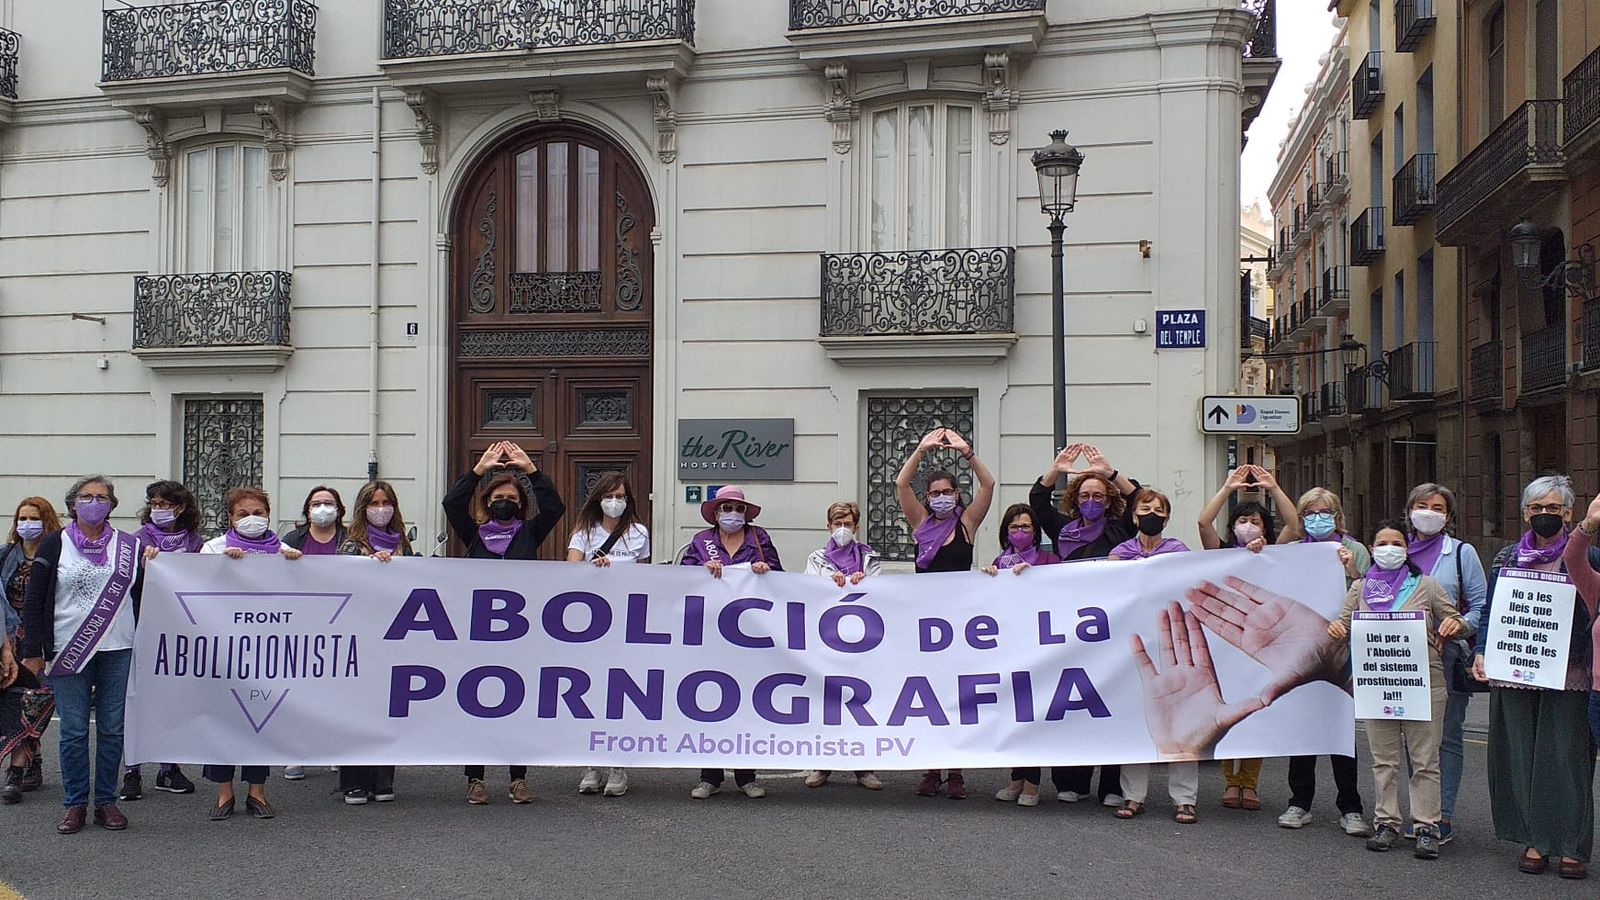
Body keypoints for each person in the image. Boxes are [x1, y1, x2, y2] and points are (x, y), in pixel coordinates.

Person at [1473, 475, 1593, 880]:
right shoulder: (1505, 557)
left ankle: (1572, 845)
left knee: (1566, 759)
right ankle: (1535, 841)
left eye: (1553, 508)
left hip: (1571, 670)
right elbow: (1491, 612)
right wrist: (1481, 651)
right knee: (1520, 757)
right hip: (1515, 669)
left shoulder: (1590, 555)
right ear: (1525, 512)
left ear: (1569, 514)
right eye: (1537, 508)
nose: (1545, 515)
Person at [1327, 521, 1470, 859]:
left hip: (1423, 683)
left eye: (1396, 542)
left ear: (1406, 550)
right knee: (1384, 760)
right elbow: (1345, 624)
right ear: (1373, 549)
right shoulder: (1360, 587)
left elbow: (1459, 624)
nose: (1389, 548)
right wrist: (1336, 628)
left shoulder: (1427, 585)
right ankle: (1387, 823)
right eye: (1382, 542)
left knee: (1424, 760)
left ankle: (1426, 827)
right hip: (1378, 682)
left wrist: (1455, 624)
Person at [18, 476, 143, 835]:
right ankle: (74, 804)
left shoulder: (129, 546)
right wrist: (32, 652)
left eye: (101, 497)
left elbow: (148, 592)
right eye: (86, 496)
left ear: (112, 504)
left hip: (117, 646)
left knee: (112, 728)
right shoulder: (54, 543)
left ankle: (106, 802)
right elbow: (34, 599)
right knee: (73, 731)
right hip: (66, 647)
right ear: (73, 503)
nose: (94, 502)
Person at [443, 440, 565, 805]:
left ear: (521, 504)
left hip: (521, 633)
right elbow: (451, 503)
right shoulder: (474, 534)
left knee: (517, 703)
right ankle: (475, 779)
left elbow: (556, 506)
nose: (506, 502)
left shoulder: (530, 532)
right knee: (477, 702)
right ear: (487, 501)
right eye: (500, 496)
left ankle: (518, 778)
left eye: (513, 498)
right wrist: (479, 471)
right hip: (479, 632)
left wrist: (531, 471)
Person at [1027, 442, 1139, 806]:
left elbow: (1140, 497)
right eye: (1085, 494)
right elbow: (1038, 500)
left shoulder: (1121, 527)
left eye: (1099, 495)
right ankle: (1071, 779)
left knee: (1112, 702)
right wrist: (1057, 468)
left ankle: (1111, 785)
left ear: (1108, 501)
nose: (1092, 500)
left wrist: (1109, 472)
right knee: (1074, 704)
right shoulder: (1063, 530)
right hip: (1072, 629)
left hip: (1112, 627)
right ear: (1076, 498)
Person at [895, 427, 994, 800]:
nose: (940, 498)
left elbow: (988, 484)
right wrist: (921, 450)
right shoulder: (921, 524)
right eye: (934, 494)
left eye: (946, 492)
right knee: (929, 696)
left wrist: (968, 453)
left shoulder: (966, 525)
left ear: (956, 495)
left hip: (961, 624)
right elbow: (901, 484)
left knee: (958, 696)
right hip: (925, 622)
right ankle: (930, 768)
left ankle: (956, 772)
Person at [198, 487, 302, 820]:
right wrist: (221, 568)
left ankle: (257, 791)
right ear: (230, 517)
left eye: (258, 512)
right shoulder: (213, 548)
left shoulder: (284, 550)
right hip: (223, 646)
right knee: (223, 718)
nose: (251, 519)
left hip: (265, 647)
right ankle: (223, 792)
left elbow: (300, 594)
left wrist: (296, 567)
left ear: (268, 515)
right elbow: (193, 586)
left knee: (261, 718)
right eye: (243, 514)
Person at [1274, 486, 1371, 836]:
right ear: (1301, 520)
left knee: (1341, 729)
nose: (1318, 518)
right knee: (1304, 729)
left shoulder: (1355, 549)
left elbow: (1373, 596)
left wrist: (1353, 571)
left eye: (1325, 512)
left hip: (1344, 651)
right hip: (1302, 651)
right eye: (1311, 513)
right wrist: (1257, 552)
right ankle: (1299, 801)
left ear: (1337, 515)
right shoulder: (1292, 552)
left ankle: (1351, 806)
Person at [1400, 483, 1487, 845]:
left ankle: (1441, 815)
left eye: (1438, 507)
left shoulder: (1462, 553)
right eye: (1423, 505)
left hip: (1445, 656)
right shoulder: (1395, 551)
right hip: (1402, 658)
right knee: (1413, 738)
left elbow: (1482, 606)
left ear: (1448, 516)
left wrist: (1461, 625)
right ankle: (1421, 811)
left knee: (1446, 737)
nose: (1430, 512)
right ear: (1410, 511)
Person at [1106, 489, 1200, 824]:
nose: (1151, 514)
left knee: (1182, 719)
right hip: (1131, 646)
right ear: (1134, 515)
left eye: (1159, 510)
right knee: (1137, 719)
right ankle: (1133, 795)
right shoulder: (1120, 553)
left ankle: (1185, 799)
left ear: (1167, 518)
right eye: (1145, 508)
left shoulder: (1178, 552)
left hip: (1172, 642)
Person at [682, 485, 781, 800]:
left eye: (738, 509)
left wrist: (765, 571)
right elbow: (682, 577)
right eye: (726, 508)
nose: (732, 514)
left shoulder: (758, 539)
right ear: (715, 512)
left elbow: (780, 575)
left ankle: (746, 776)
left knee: (746, 702)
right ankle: (709, 776)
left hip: (749, 632)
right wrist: (702, 570)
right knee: (710, 701)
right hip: (711, 630)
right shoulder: (701, 542)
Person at [1196, 465, 1283, 810]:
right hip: (1224, 641)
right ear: (1232, 527)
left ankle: (1250, 783)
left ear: (1266, 529)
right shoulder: (1220, 552)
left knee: (1257, 710)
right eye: (1242, 521)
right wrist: (1227, 488)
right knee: (1229, 707)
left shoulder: (1274, 554)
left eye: (1256, 522)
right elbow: (1203, 523)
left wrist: (1273, 488)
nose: (1248, 527)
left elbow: (1294, 525)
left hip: (1262, 643)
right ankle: (1231, 782)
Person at [566, 472, 649, 797]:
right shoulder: (584, 532)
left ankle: (618, 764)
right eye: (609, 495)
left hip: (626, 624)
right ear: (598, 498)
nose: (615, 502)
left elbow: (646, 574)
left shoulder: (639, 532)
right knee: (592, 692)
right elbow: (570, 571)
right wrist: (591, 570)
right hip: (591, 625)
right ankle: (591, 763)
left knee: (620, 693)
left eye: (621, 496)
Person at [119, 481, 204, 801]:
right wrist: (143, 569)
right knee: (136, 698)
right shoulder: (136, 541)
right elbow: (123, 584)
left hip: (180, 628)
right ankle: (132, 769)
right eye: (154, 503)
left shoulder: (194, 541)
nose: (159, 509)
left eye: (165, 504)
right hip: (142, 625)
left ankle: (170, 767)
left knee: (173, 698)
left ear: (180, 507)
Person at [335, 481, 415, 806]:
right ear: (362, 508)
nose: (381, 508)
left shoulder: (403, 545)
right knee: (357, 711)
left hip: (394, 637)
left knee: (387, 710)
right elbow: (338, 582)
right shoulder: (352, 545)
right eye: (374, 503)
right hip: (360, 636)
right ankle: (354, 780)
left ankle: (383, 778)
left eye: (386, 502)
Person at [983, 503, 1061, 806]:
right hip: (1008, 649)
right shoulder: (1000, 561)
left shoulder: (1049, 560)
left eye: (1026, 527)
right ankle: (1016, 778)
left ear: (1035, 531)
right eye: (1014, 527)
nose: (1020, 532)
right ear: (1005, 532)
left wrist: (1034, 578)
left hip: (1041, 650)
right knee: (1013, 716)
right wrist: (989, 577)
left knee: (1034, 717)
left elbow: (1061, 594)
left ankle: (1033, 783)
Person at [803, 501, 883, 792]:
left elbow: (880, 593)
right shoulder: (816, 558)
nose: (842, 529)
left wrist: (862, 583)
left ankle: (864, 769)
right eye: (837, 523)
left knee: (861, 703)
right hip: (827, 642)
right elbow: (809, 591)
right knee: (827, 703)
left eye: (847, 524)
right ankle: (822, 765)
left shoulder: (869, 559)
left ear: (856, 526)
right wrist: (829, 582)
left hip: (862, 642)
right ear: (828, 526)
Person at [0, 497, 61, 803]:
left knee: (38, 701)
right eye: (21, 518)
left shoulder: (59, 553)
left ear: (46, 520)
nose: (26, 524)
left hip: (44, 640)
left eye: (33, 518)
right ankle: (18, 769)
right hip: (11, 641)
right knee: (15, 702)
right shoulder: (5, 556)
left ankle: (27, 760)